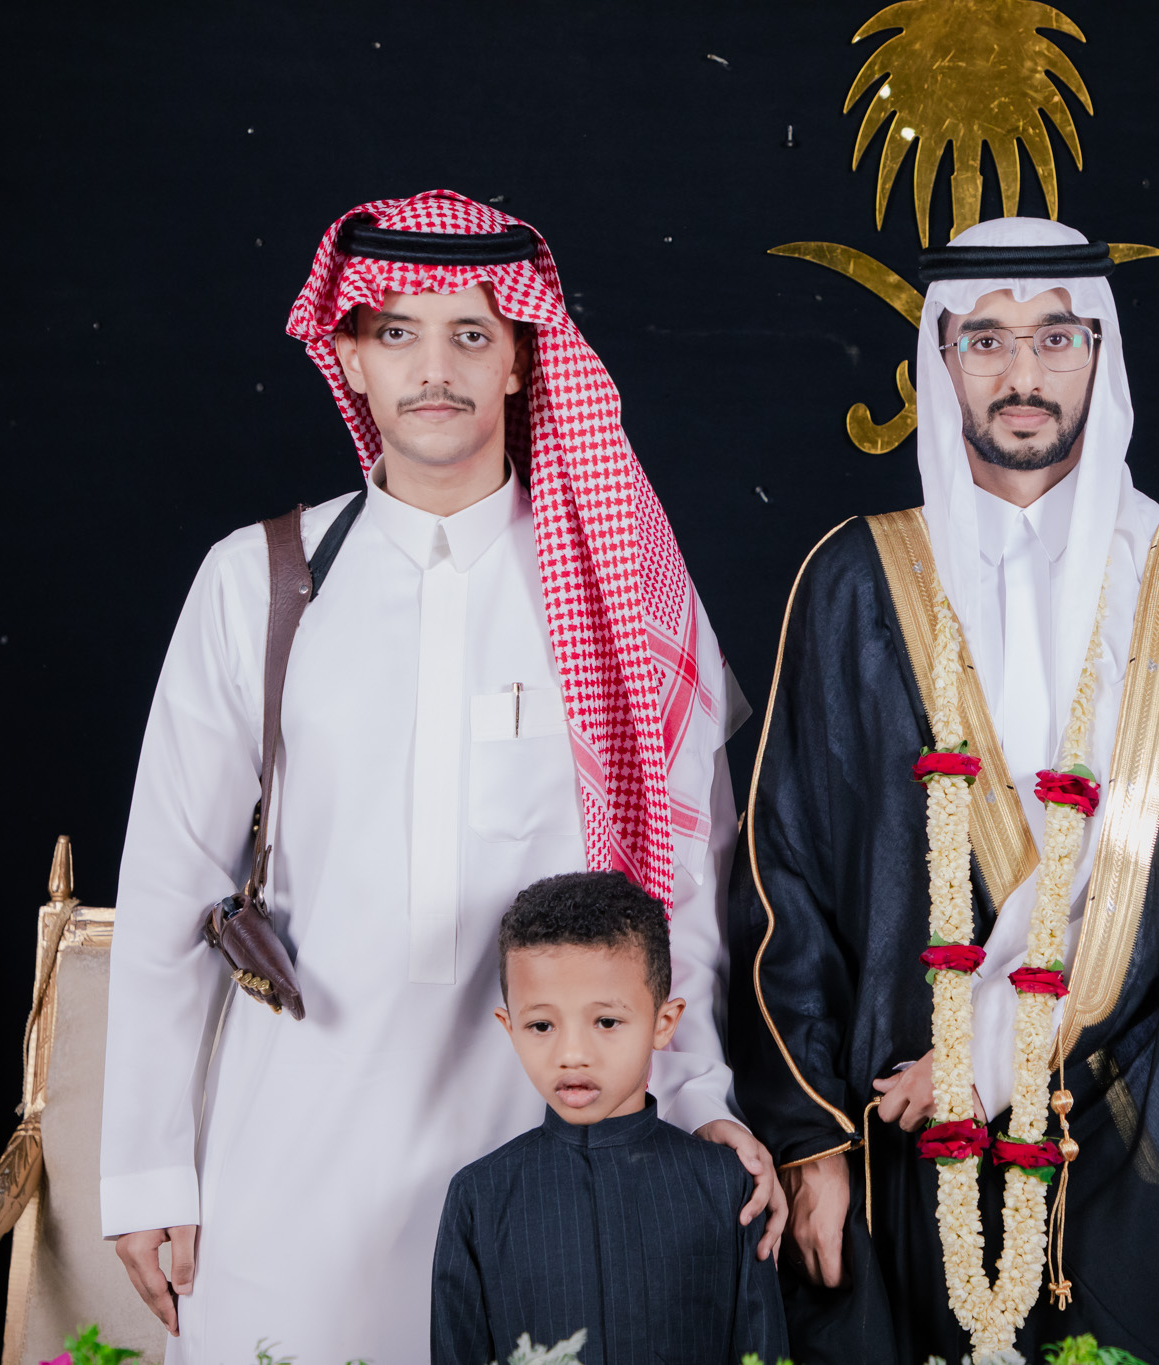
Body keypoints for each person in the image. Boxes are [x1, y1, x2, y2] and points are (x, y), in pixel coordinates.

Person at [100, 189, 782, 1365]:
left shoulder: (619, 588)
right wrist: (149, 1164)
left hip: (549, 1144)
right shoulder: (257, 580)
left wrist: (695, 1096)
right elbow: (172, 887)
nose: (433, 369)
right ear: (348, 358)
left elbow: (682, 885)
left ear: (520, 358)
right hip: (292, 1143)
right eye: (396, 333)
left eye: (470, 334)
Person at [730, 216, 1159, 1365]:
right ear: (939, 359)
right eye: (984, 339)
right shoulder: (856, 579)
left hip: (1147, 1119)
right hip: (907, 1127)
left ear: (1099, 353)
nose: (1021, 374)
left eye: (1054, 337)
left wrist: (996, 1050)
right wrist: (811, 1142)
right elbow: (785, 877)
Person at [432, 871, 789, 1365]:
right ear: (509, 1028)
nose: (572, 1054)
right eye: (541, 1025)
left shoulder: (726, 1186)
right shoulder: (480, 1197)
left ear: (663, 1023)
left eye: (606, 1021)